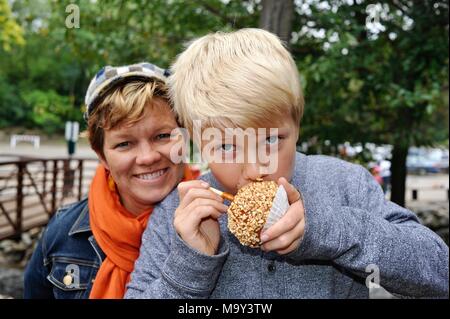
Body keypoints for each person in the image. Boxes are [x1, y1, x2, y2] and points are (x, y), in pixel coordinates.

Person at [125, 29, 449, 298]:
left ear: (296, 127)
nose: (255, 169)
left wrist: (332, 230)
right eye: (226, 147)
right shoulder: (178, 213)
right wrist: (193, 261)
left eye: (270, 140)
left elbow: (438, 271)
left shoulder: (345, 182)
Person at [24, 62, 199, 299]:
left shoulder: (224, 221)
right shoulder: (63, 234)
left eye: (162, 136)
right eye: (124, 143)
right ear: (102, 156)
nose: (147, 157)